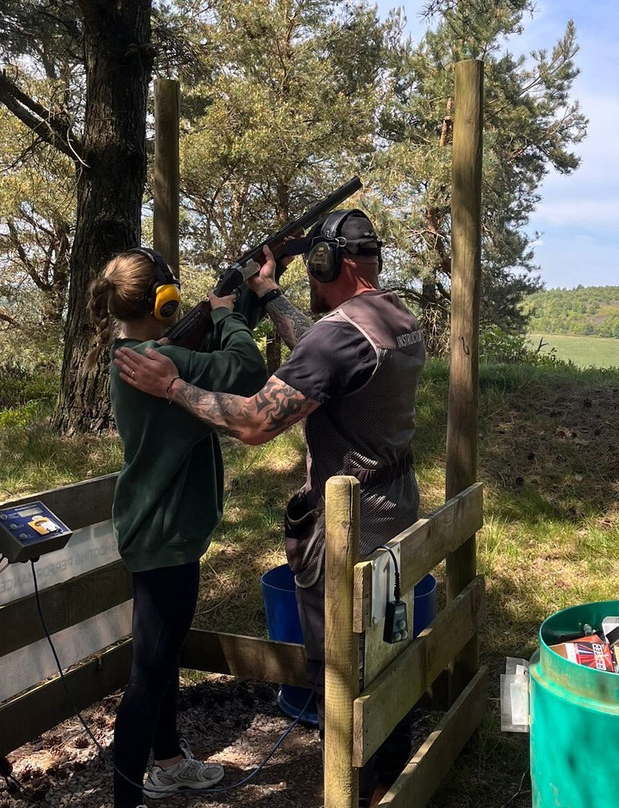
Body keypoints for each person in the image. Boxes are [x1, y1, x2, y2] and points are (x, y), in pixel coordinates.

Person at [112, 210, 425, 807]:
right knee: (390, 646)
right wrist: (268, 292)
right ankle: (389, 782)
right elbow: (325, 347)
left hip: (347, 529)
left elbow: (256, 421)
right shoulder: (395, 318)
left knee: (341, 669)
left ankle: (353, 791)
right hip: (396, 513)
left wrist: (173, 386)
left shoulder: (337, 338)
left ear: (326, 263)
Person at [84, 246, 268, 808]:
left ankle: (166, 764)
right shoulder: (160, 367)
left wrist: (243, 299)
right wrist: (228, 314)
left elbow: (214, 355)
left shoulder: (138, 355)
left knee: (160, 658)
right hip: (165, 538)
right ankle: (127, 800)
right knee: (148, 676)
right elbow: (245, 370)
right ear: (162, 302)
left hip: (156, 531)